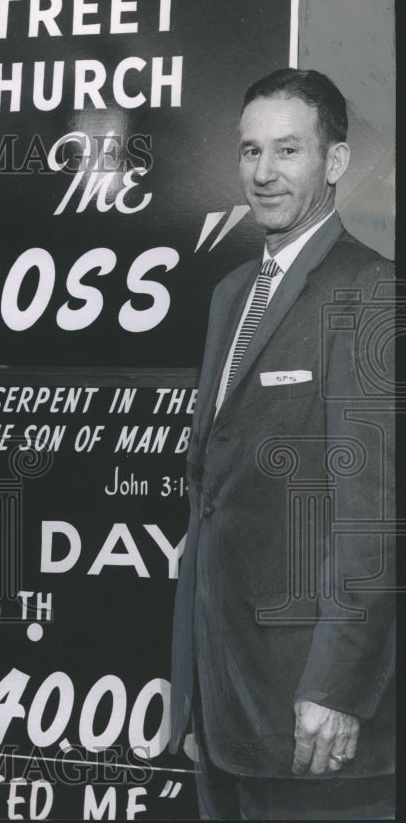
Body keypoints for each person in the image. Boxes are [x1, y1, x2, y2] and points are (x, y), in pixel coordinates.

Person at [169, 68, 395, 819]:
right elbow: (216, 499)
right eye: (250, 151)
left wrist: (335, 690)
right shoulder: (232, 293)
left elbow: (374, 519)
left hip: (311, 722)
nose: (263, 173)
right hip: (227, 709)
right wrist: (198, 692)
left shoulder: (370, 293)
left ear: (333, 163)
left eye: (288, 151)